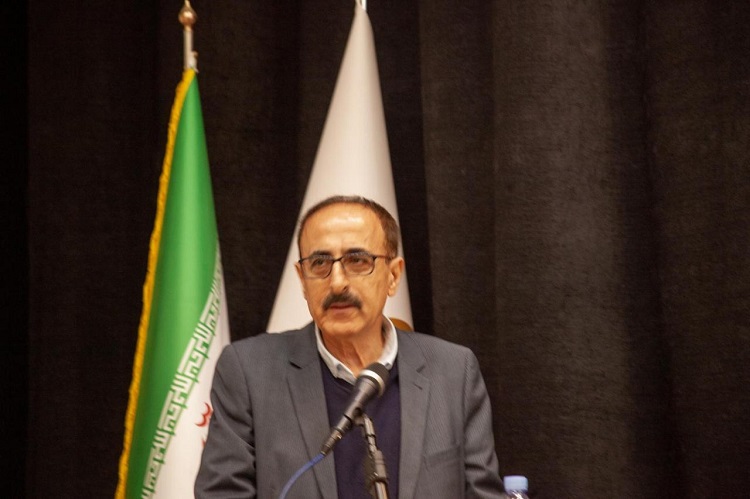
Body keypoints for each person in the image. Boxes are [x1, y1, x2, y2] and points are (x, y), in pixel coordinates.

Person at [195, 195, 503, 498]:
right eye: (319, 263)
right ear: (302, 279)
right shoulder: (249, 372)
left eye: (357, 261)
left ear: (393, 275)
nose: (338, 282)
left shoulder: (453, 371)